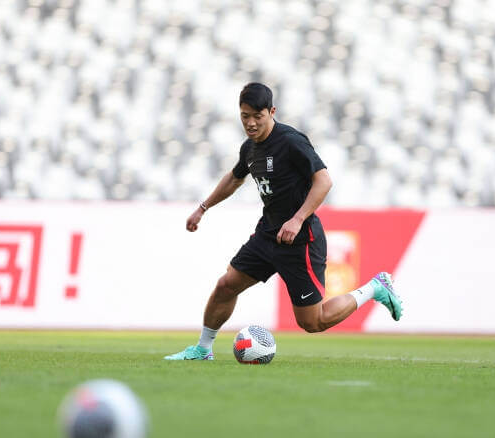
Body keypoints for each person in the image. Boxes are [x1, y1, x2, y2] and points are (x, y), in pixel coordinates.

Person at [165, 83, 402, 360]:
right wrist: (202, 208)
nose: (251, 123)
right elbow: (234, 178)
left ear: (272, 112)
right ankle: (203, 349)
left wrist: (298, 219)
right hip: (268, 234)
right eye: (245, 116)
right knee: (226, 285)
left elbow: (324, 180)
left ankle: (375, 287)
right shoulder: (250, 148)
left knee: (312, 322)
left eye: (257, 116)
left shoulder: (291, 141)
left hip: (300, 240)